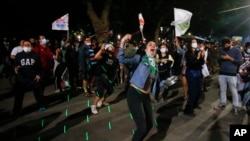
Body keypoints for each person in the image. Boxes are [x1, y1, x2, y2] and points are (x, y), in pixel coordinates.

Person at [117, 34, 159, 141]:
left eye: (154, 45)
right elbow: (121, 59)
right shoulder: (140, 58)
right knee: (142, 128)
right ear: (146, 49)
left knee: (149, 125)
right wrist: (123, 40)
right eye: (150, 44)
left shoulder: (155, 64)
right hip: (134, 93)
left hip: (146, 96)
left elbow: (153, 81)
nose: (152, 45)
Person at [12, 40, 46, 118]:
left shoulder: (35, 55)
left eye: (28, 44)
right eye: (25, 45)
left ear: (31, 46)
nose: (27, 46)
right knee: (19, 97)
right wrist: (15, 68)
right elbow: (14, 65)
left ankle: (41, 106)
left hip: (33, 79)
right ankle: (16, 112)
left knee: (38, 94)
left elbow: (40, 68)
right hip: (21, 79)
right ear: (23, 46)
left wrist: (39, 75)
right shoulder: (19, 55)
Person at [215, 37, 242, 115]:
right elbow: (218, 59)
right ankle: (223, 103)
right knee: (222, 90)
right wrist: (220, 58)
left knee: (233, 91)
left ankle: (235, 106)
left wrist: (229, 58)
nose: (225, 47)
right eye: (224, 45)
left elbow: (239, 62)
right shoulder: (222, 49)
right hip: (222, 73)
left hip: (232, 74)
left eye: (227, 45)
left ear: (230, 43)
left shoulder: (237, 50)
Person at [90, 42, 119, 114]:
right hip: (100, 75)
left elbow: (116, 69)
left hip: (107, 77)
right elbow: (96, 57)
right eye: (110, 47)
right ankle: (93, 106)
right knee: (100, 92)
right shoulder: (104, 55)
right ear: (107, 48)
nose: (112, 48)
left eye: (113, 47)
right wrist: (101, 50)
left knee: (110, 90)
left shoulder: (114, 58)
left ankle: (101, 101)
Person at [183, 38, 205, 117]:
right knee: (193, 91)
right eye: (193, 42)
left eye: (195, 42)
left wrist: (202, 56)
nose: (195, 43)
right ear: (190, 44)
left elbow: (201, 63)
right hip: (191, 73)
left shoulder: (197, 52)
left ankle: (194, 104)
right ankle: (188, 109)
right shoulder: (188, 53)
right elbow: (191, 64)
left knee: (199, 90)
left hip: (197, 73)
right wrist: (198, 58)